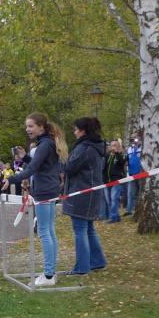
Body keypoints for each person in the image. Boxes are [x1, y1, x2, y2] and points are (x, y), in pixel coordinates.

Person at [2, 113, 68, 287]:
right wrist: (24, 157)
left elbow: (32, 169)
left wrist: (12, 179)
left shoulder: (45, 144)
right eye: (27, 126)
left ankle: (48, 275)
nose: (27, 129)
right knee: (49, 230)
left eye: (31, 126)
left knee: (44, 232)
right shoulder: (46, 143)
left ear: (41, 127)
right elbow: (40, 165)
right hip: (49, 189)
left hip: (44, 192)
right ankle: (50, 272)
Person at [63, 118, 107, 276]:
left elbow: (70, 167)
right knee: (88, 228)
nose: (74, 132)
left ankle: (81, 267)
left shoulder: (85, 148)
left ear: (83, 131)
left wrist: (61, 161)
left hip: (82, 192)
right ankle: (97, 261)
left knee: (80, 229)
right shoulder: (95, 146)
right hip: (90, 191)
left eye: (76, 129)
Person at [104, 139, 126, 223]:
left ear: (118, 146)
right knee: (109, 200)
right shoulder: (107, 155)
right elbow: (103, 167)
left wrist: (117, 153)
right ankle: (116, 216)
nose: (113, 147)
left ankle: (113, 217)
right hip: (106, 181)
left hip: (116, 181)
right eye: (112, 145)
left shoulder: (121, 155)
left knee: (114, 199)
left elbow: (122, 162)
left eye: (115, 145)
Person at [125, 138, 142, 216]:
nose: (135, 141)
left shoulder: (143, 148)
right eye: (133, 140)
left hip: (141, 174)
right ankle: (129, 210)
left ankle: (138, 210)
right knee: (131, 193)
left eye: (137, 139)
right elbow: (126, 160)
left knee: (140, 192)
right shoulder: (129, 149)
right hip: (131, 174)